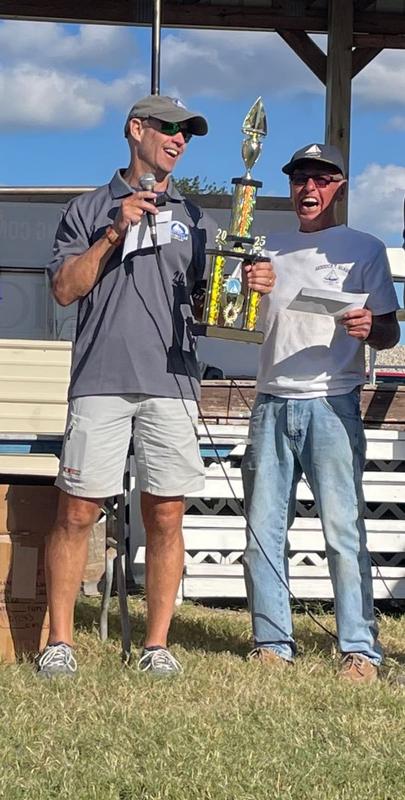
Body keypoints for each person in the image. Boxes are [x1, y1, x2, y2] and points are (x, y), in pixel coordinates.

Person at [38, 94, 274, 678]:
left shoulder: (197, 219)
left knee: (167, 514)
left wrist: (250, 285)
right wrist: (114, 231)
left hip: (172, 383)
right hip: (100, 381)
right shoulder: (88, 207)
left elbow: (213, 302)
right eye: (168, 128)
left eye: (186, 134)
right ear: (135, 129)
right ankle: (59, 644)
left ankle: (157, 646)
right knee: (76, 511)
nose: (178, 140)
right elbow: (65, 289)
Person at [242, 142, 400, 684]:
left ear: (339, 187)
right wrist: (243, 288)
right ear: (290, 186)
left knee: (342, 530)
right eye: (300, 178)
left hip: (334, 401)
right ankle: (271, 643)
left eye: (322, 180)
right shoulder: (264, 247)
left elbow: (389, 330)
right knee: (263, 529)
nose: (309, 188)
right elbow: (230, 317)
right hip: (270, 401)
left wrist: (367, 329)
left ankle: (359, 649)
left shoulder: (365, 248)